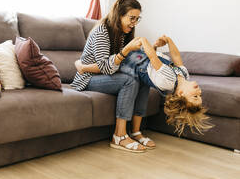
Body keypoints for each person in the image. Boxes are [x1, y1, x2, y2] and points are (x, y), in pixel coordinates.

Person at [75, 35, 213, 136]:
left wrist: (143, 41)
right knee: (114, 63)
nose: (198, 91)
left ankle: (83, 67)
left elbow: (153, 59)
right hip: (143, 58)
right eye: (199, 95)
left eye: (195, 96)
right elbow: (177, 59)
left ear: (181, 94)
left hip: (135, 64)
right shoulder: (184, 75)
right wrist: (169, 41)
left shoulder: (169, 81)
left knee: (114, 64)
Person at [70, 0, 155, 153]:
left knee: (142, 77)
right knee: (129, 80)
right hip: (88, 78)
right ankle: (119, 135)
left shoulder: (124, 33)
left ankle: (136, 132)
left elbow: (124, 64)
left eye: (137, 19)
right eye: (132, 18)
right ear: (120, 15)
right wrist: (126, 51)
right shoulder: (102, 31)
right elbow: (106, 67)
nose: (134, 23)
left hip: (106, 75)